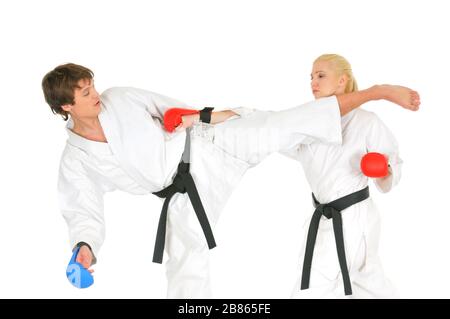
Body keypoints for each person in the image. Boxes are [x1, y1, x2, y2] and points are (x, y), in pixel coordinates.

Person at [42, 63, 420, 298]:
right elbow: (82, 207)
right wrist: (85, 246)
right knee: (185, 263)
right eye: (85, 93)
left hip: (207, 143)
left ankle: (377, 92)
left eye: (92, 86)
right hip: (183, 194)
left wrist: (228, 116)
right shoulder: (76, 160)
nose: (96, 95)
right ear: (65, 107)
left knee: (282, 124)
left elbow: (178, 111)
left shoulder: (121, 98)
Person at [286, 54, 408, 298]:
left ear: (342, 81)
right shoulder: (308, 123)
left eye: (321, 76)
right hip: (325, 217)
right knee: (366, 281)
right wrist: (219, 122)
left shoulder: (366, 121)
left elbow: (394, 163)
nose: (313, 82)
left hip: (356, 217)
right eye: (311, 77)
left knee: (314, 285)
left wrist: (384, 169)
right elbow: (273, 132)